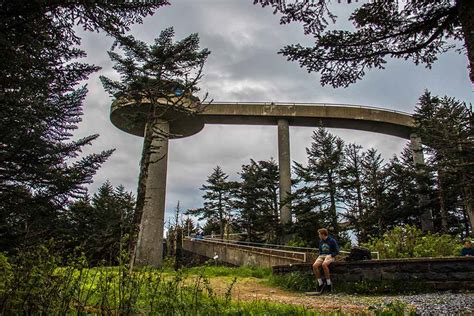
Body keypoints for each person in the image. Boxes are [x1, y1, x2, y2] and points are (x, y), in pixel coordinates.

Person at [312, 228, 340, 293]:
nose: (319, 236)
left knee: (324, 265)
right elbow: (320, 251)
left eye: (319, 234)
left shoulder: (332, 241)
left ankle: (328, 283)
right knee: (314, 266)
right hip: (322, 256)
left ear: (323, 234)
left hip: (330, 255)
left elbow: (337, 251)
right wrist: (321, 256)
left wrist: (331, 255)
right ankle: (320, 283)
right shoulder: (321, 241)